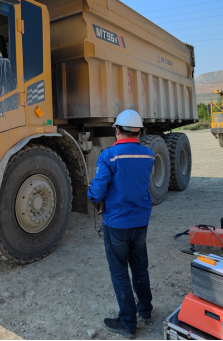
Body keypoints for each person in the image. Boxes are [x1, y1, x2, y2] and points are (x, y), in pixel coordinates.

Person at [87, 110, 155, 339]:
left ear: (117, 130)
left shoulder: (109, 156)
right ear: (138, 131)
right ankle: (145, 312)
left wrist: (90, 194)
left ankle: (128, 323)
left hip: (116, 224)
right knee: (140, 268)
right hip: (141, 222)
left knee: (119, 273)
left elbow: (98, 191)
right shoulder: (148, 155)